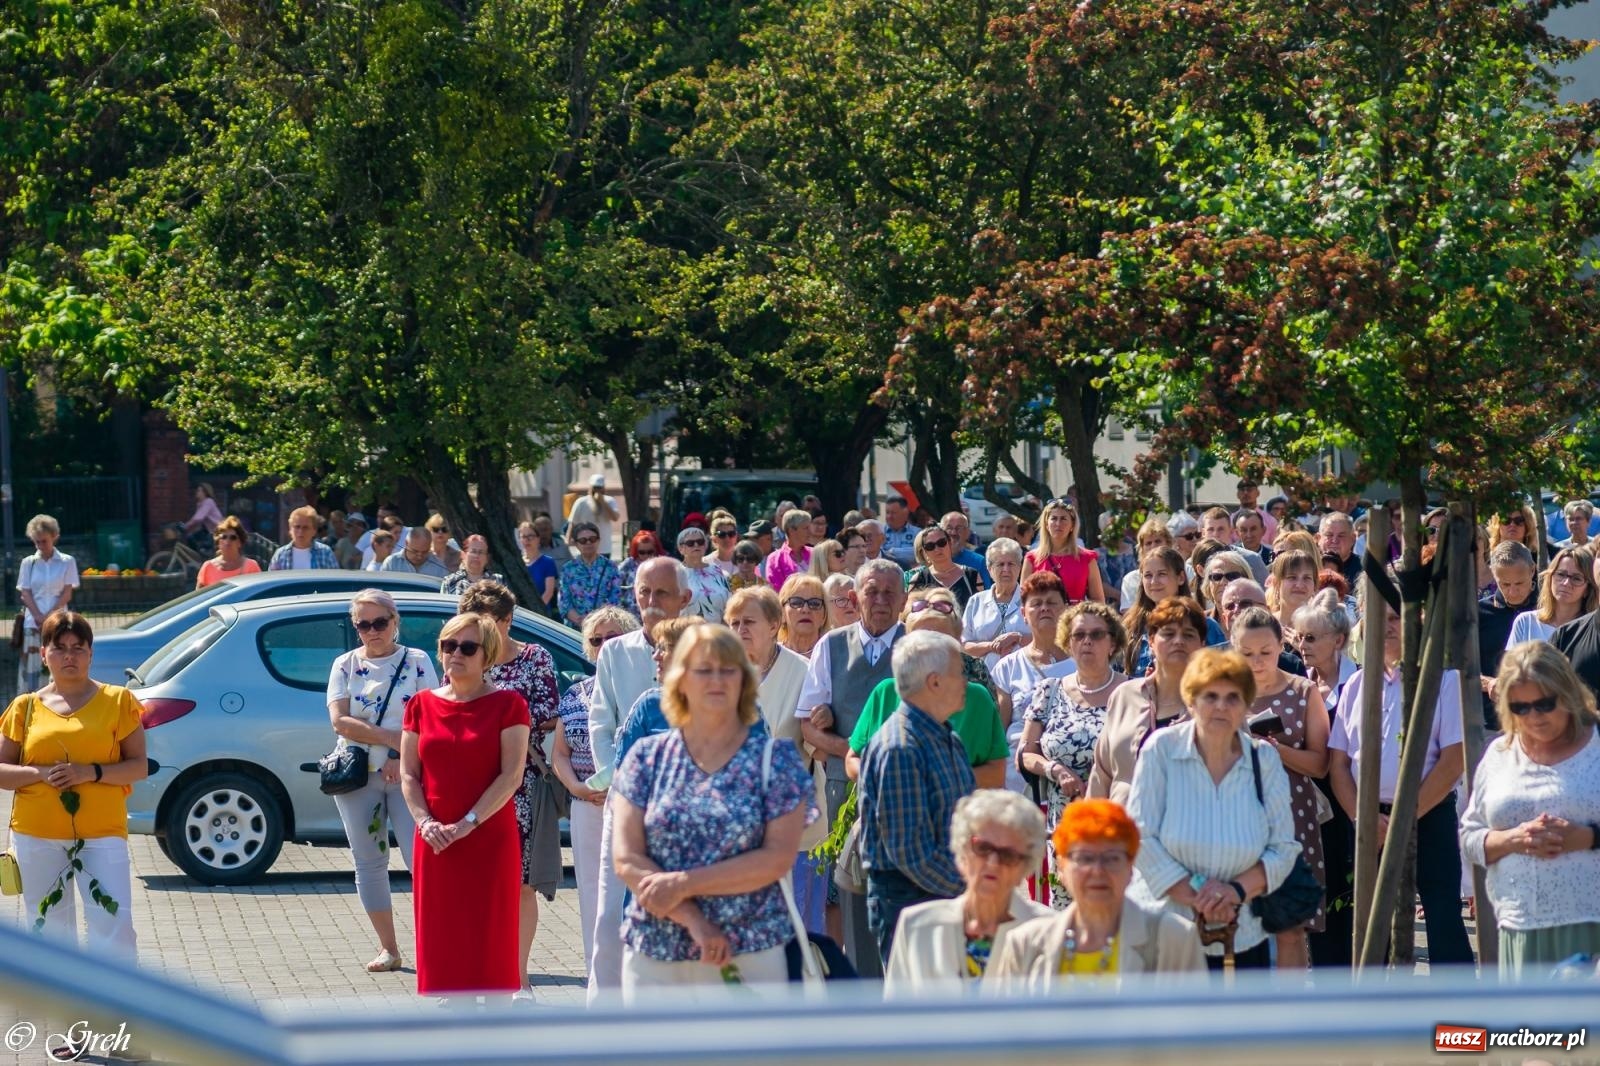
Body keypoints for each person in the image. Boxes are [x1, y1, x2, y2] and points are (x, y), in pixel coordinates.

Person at [611, 626, 815, 997]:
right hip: (655, 954)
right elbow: (627, 857)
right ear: (680, 680)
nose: (717, 680)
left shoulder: (776, 762)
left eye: (729, 669)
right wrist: (693, 920)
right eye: (704, 669)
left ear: (745, 681)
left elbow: (775, 859)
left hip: (750, 953)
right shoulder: (647, 758)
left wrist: (683, 882)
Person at [1127, 649, 1301, 971]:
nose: (1221, 706)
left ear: (1247, 705)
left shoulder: (1264, 759)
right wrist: (1201, 896)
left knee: (1240, 1023)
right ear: (1191, 701)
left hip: (1243, 932)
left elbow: (1283, 848)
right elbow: (1141, 836)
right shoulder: (1161, 750)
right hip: (1168, 932)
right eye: (1211, 696)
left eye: (1233, 697)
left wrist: (1233, 892)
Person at [1327, 593, 1474, 967]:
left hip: (1428, 817)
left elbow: (1453, 760)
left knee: (1442, 918)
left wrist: (1404, 819)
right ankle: (1375, 1016)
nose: (1388, 627)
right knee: (1371, 925)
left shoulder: (1441, 681)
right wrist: (1363, 818)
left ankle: (1457, 1021)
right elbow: (1339, 764)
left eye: (1396, 618)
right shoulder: (1356, 686)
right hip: (1368, 822)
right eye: (1380, 619)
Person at [0, 611, 147, 958]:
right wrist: (40, 773)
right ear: (44, 654)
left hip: (102, 833)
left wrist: (89, 772)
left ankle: (118, 1005)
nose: (69, 656)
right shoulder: (25, 707)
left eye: (78, 648)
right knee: (49, 927)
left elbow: (138, 766)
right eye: (60, 647)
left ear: (91, 654)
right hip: (37, 835)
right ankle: (62, 1007)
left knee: (114, 925)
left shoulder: (118, 701)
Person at [1460, 641, 1600, 978]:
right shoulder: (1499, 755)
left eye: (1544, 704)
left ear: (1567, 694)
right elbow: (1469, 836)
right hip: (1519, 925)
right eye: (1520, 708)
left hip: (1591, 923)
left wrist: (1587, 837)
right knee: (1530, 1031)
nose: (1533, 717)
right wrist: (1513, 839)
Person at [586, 556, 692, 998]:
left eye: (661, 593)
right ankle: (604, 1018)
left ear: (685, 599)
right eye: (644, 593)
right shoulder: (615, 650)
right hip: (626, 803)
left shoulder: (706, 645)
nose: (650, 602)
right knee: (611, 917)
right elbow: (600, 723)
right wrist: (615, 781)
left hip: (687, 812)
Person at [796, 558, 908, 975]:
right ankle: (857, 988)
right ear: (854, 597)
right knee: (848, 892)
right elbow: (808, 724)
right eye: (871, 591)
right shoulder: (831, 645)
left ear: (902, 599)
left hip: (904, 790)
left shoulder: (915, 646)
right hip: (846, 790)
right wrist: (853, 753)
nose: (879, 600)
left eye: (888, 593)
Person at [325, 590, 439, 973]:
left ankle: (433, 948)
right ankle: (389, 948)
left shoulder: (418, 661)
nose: (373, 631)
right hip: (357, 776)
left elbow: (431, 716)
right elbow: (340, 721)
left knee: (421, 861)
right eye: (363, 624)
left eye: (380, 622)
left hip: (409, 775)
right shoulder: (343, 664)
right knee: (369, 861)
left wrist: (397, 756)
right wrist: (392, 740)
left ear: (395, 621)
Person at [460, 582, 562, 1000]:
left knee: (521, 885)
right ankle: (474, 974)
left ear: (508, 620)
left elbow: (549, 715)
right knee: (474, 886)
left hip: (521, 787)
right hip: (469, 786)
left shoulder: (535, 658)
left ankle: (519, 977)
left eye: (492, 624)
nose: (482, 635)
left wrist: (498, 719)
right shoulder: (463, 657)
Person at [987, 799, 1206, 986]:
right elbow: (1005, 1031)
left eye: (1112, 858)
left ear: (1131, 868)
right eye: (1084, 858)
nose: (1098, 871)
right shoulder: (1025, 945)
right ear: (1061, 868)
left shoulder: (1175, 939)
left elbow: (1197, 1030)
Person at [857, 631, 978, 966]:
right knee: (919, 1015)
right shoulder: (900, 748)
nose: (966, 680)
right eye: (960, 672)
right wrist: (972, 889)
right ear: (935, 682)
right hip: (913, 907)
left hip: (942, 899)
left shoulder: (943, 735)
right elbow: (912, 853)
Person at [1231, 607, 1329, 970]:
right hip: (1236, 815)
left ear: (1280, 647)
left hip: (1292, 815)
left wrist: (1278, 752)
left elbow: (1320, 764)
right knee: (1241, 920)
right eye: (1247, 654)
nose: (1257, 662)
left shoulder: (1303, 691)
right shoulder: (1226, 694)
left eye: (1266, 652)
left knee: (1290, 925)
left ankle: (1291, 1017)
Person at [724, 585, 825, 929]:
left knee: (799, 931)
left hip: (794, 828)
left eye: (748, 622)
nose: (740, 631)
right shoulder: (721, 675)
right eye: (733, 623)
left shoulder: (804, 671)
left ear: (773, 624)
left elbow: (815, 746)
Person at [883, 791, 1052, 992]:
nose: (993, 862)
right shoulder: (917, 926)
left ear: (1026, 866)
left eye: (1008, 855)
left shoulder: (1048, 931)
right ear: (962, 853)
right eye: (982, 848)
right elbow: (896, 1018)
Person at [1018, 602, 1129, 904]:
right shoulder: (1049, 690)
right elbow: (1026, 754)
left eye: (1096, 634)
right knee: (1066, 921)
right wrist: (1054, 769)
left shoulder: (1134, 693)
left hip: (1117, 824)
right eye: (1078, 635)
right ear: (1067, 643)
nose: (1087, 642)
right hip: (1064, 827)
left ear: (1113, 642)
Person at [846, 592, 1011, 790]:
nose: (927, 649)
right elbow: (852, 759)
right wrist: (886, 777)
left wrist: (935, 779)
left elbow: (996, 774)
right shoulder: (885, 692)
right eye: (919, 639)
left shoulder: (976, 697)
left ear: (957, 642)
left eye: (938, 640)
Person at [551, 606, 638, 972]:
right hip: (587, 806)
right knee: (592, 893)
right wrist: (578, 788)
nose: (604, 645)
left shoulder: (643, 686)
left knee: (632, 890)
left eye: (613, 638)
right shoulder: (574, 694)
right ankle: (597, 974)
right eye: (596, 639)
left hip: (634, 806)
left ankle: (634, 971)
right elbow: (559, 753)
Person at [1090, 597, 1204, 805]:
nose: (1178, 641)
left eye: (1188, 635)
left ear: (1201, 644)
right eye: (1168, 634)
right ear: (1151, 641)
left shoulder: (1219, 702)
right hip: (1122, 828)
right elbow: (1101, 773)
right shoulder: (1124, 696)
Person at [1123, 546, 1227, 675]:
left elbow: (1222, 672)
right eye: (1148, 575)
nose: (1154, 581)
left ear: (1181, 577)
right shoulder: (1131, 627)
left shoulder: (1205, 625)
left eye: (1162, 574)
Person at [1477, 541, 1540, 732]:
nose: (1513, 591)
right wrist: (1489, 683)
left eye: (1519, 583)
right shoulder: (1478, 613)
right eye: (1504, 584)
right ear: (1494, 576)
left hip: (1538, 718)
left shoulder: (1547, 609)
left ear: (1532, 570)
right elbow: (1462, 667)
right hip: (1491, 721)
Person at [16, 515, 80, 693]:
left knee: (55, 664)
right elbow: (25, 592)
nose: (40, 546)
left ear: (54, 537)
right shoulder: (28, 563)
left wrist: (49, 617)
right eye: (36, 542)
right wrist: (38, 616)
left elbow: (67, 593)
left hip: (58, 622)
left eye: (44, 541)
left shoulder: (67, 562)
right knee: (31, 668)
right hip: (32, 623)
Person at [1506, 546, 1595, 647]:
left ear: (1588, 589)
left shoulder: (1593, 631)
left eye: (1576, 578)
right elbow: (1511, 662)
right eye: (1561, 574)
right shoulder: (1526, 622)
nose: (1566, 583)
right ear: (1550, 578)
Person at [962, 538, 1029, 671]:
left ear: (1020, 567)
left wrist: (1018, 638)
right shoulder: (976, 601)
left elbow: (1046, 638)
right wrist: (991, 646)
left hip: (1025, 675)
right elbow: (964, 645)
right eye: (1000, 564)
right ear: (989, 569)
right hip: (985, 676)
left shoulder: (1032, 599)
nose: (1006, 569)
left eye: (1011, 564)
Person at [1020, 499, 1103, 605]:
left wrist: (1075, 611)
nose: (1058, 523)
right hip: (1043, 618)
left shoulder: (1087, 558)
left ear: (1072, 525)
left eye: (1063, 519)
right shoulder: (1032, 558)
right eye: (1054, 518)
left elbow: (1099, 601)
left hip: (1075, 619)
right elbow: (1025, 600)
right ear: (1046, 524)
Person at [560, 521, 627, 628]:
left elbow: (616, 599)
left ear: (599, 540)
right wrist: (582, 621)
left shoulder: (611, 567)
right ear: (576, 544)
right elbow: (564, 603)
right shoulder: (568, 569)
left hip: (603, 629)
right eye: (583, 540)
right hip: (575, 630)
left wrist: (597, 622)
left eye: (592, 539)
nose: (588, 543)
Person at [906, 526, 986, 609]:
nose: (937, 549)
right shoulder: (918, 579)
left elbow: (981, 609)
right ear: (924, 552)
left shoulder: (972, 575)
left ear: (950, 544)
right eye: (930, 546)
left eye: (941, 542)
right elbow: (909, 612)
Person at [1119, 517, 1176, 610]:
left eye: (1158, 541)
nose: (1153, 546)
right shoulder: (1131, 579)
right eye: (1148, 543)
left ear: (1168, 543)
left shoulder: (1186, 570)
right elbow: (1128, 615)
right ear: (1141, 548)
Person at [677, 526, 731, 622]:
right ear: (681, 548)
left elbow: (728, 605)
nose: (696, 545)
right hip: (687, 632)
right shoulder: (676, 574)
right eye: (690, 543)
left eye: (700, 542)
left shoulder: (717, 571)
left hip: (717, 632)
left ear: (705, 546)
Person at [1201, 506, 1267, 583]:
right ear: (1203, 533)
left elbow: (1264, 593)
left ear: (1231, 531)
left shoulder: (1252, 560)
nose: (1216, 534)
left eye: (1221, 529)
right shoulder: (1193, 562)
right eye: (1210, 529)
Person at [195, 515, 262, 588]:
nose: (227, 541)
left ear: (239, 543)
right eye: (224, 537)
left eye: (233, 537)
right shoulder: (208, 567)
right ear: (218, 542)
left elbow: (259, 593)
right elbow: (199, 598)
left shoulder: (251, 566)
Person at [1266, 549, 1319, 640]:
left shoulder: (1323, 628)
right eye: (1292, 577)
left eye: (1306, 578)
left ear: (1314, 585)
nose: (1299, 585)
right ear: (1277, 583)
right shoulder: (1264, 625)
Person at [268, 506, 339, 570]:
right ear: (290, 529)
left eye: (305, 527)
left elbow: (335, 581)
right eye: (297, 527)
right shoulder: (281, 555)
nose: (300, 531)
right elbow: (272, 581)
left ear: (314, 530)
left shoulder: (325, 553)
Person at [777, 574, 830, 659]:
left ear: (824, 615)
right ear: (782, 613)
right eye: (796, 603)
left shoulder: (834, 655)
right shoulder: (770, 656)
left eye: (814, 603)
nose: (806, 609)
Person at [567, 475, 620, 559]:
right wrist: (568, 541)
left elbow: (615, 518)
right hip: (584, 547)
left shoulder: (610, 501)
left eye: (599, 488)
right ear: (590, 487)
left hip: (604, 548)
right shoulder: (581, 502)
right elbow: (572, 523)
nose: (597, 490)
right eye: (595, 487)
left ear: (603, 488)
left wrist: (603, 502)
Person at [765, 508, 814, 593]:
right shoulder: (774, 559)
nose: (810, 532)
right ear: (791, 530)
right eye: (806, 528)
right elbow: (775, 591)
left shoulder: (815, 553)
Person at [518, 520, 560, 617]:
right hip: (520, 615)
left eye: (530, 536)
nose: (527, 540)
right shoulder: (517, 563)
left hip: (542, 613)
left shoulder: (548, 562)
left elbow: (549, 592)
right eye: (523, 536)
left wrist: (535, 610)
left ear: (538, 538)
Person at [942, 511, 992, 585]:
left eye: (959, 528)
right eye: (949, 528)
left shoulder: (978, 562)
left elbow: (986, 593)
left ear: (967, 533)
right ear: (940, 532)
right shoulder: (932, 558)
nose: (953, 533)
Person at [1317, 512, 1362, 591]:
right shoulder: (1308, 566)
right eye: (1329, 535)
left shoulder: (1364, 569)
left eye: (1341, 536)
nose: (1334, 540)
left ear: (1353, 538)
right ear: (1319, 538)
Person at [381, 526, 449, 579]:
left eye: (424, 552)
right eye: (415, 551)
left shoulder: (439, 567)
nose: (419, 556)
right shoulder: (392, 563)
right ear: (406, 543)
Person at [618, 530, 664, 600]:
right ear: (636, 551)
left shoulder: (663, 564)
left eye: (650, 552)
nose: (646, 555)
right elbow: (614, 580)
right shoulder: (629, 563)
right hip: (632, 607)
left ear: (656, 550)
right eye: (642, 552)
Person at [881, 495, 922, 568]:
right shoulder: (879, 531)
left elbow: (919, 553)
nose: (889, 516)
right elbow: (877, 553)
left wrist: (892, 552)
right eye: (887, 512)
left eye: (893, 513)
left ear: (905, 513)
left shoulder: (918, 533)